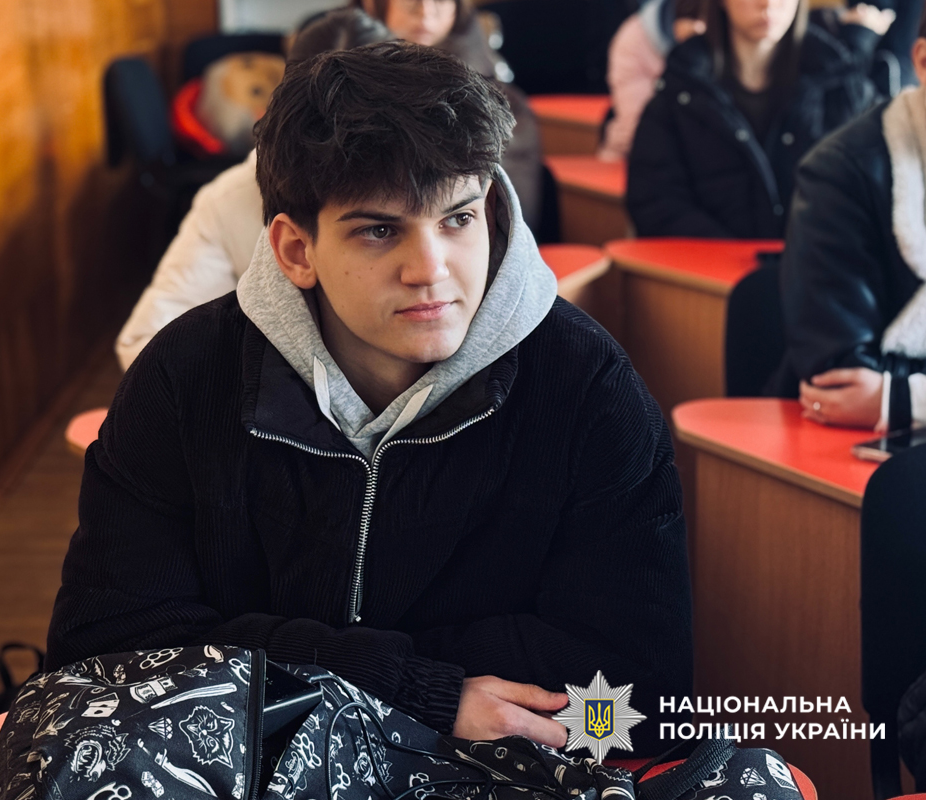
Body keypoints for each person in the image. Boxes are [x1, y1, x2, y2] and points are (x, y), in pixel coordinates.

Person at [49, 42, 693, 751]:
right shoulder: (184, 377)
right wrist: (414, 691)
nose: (430, 270)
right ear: (297, 251)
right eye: (380, 230)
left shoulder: (590, 386)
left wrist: (270, 657)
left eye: (458, 219)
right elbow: (100, 653)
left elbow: (640, 700)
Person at [115, 10, 394, 372]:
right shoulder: (231, 197)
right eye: (326, 121)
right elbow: (146, 345)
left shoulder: (442, 195)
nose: (346, 146)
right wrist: (267, 385)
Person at [626, 0, 891, 239]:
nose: (768, 3)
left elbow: (875, 193)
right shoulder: (680, 88)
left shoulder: (842, 84)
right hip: (711, 270)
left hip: (814, 268)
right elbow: (655, 200)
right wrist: (738, 263)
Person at [779, 10, 926, 433]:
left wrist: (902, 397)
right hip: (857, 443)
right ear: (922, 61)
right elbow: (842, 377)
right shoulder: (840, 172)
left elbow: (881, 394)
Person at [352, 0, 544, 231]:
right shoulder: (338, 86)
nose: (425, 11)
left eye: (441, 0)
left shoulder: (502, 102)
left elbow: (510, 215)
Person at [599, 0, 707, 162]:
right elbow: (641, 130)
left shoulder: (732, 34)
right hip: (634, 156)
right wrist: (687, 58)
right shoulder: (635, 37)